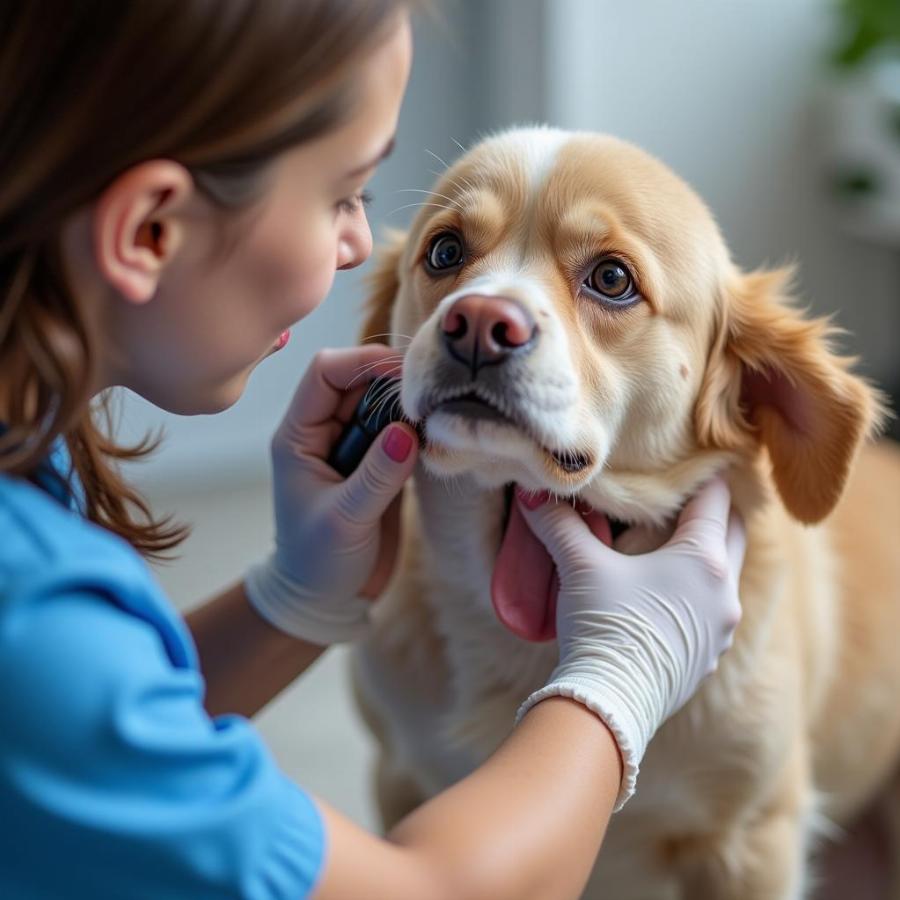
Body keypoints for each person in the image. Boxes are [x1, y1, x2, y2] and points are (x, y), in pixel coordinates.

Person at [0, 3, 746, 898]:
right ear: (149, 231)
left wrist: (298, 600)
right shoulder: (27, 606)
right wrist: (625, 674)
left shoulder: (29, 477)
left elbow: (96, 737)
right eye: (343, 195)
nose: (361, 245)